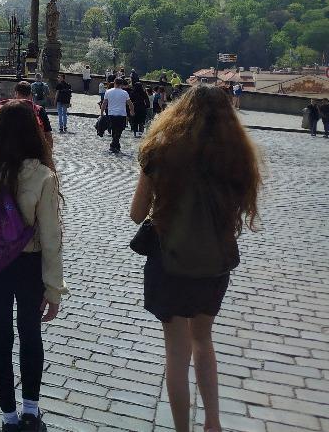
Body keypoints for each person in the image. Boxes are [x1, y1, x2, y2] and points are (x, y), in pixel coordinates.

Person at [129, 85, 261, 432]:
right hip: (214, 262)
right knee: (204, 340)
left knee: (177, 354)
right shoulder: (236, 156)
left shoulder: (160, 150)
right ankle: (212, 423)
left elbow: (136, 213)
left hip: (169, 260)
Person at [0, 100, 66, 432]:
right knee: (30, 333)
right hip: (28, 265)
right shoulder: (43, 175)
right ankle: (30, 412)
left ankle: (8, 417)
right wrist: (54, 288)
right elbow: (51, 237)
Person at [0, 82, 54, 149]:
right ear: (30, 94)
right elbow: (48, 134)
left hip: (13, 150)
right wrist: (49, 152)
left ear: (16, 93)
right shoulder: (39, 110)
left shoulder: (7, 109)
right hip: (34, 150)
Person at [103, 78, 134, 154]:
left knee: (114, 130)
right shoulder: (125, 93)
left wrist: (101, 112)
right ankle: (114, 145)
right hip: (121, 114)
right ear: (122, 84)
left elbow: (104, 103)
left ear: (114, 83)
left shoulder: (108, 91)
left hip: (111, 114)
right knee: (119, 130)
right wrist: (132, 111)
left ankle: (115, 146)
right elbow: (130, 104)